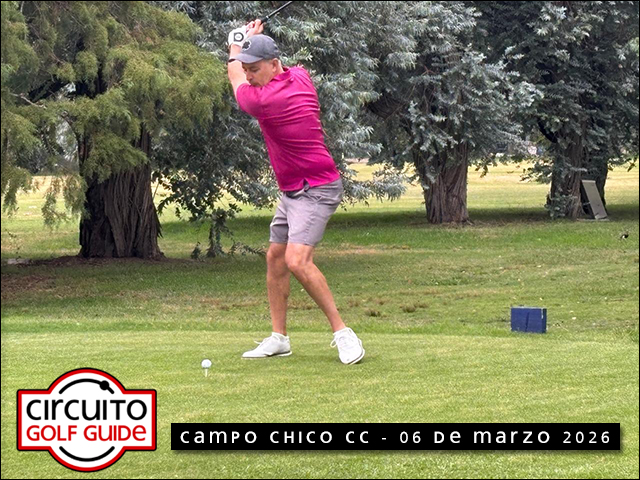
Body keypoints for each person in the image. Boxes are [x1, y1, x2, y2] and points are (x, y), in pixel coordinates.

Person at [227, 19, 365, 365]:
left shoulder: (266, 99)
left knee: (297, 260)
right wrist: (254, 41)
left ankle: (343, 333)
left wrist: (235, 44)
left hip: (316, 189)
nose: (250, 75)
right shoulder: (299, 76)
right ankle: (279, 338)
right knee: (275, 257)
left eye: (255, 69)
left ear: (274, 65)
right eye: (248, 69)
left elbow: (234, 78)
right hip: (293, 190)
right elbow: (259, 66)